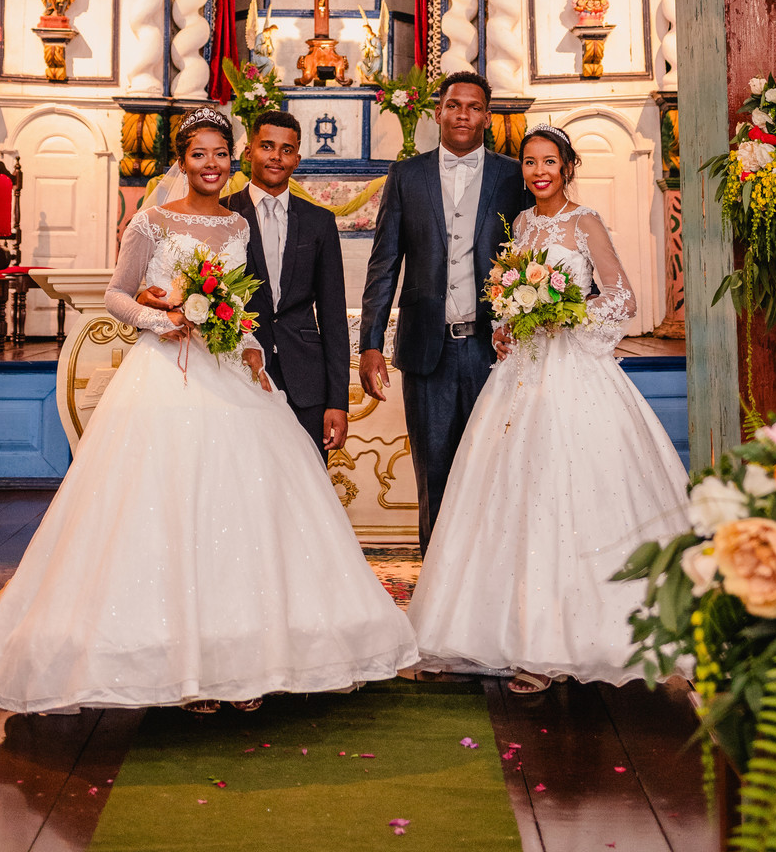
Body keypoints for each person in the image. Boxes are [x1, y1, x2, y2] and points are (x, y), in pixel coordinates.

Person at [0, 106, 417, 713]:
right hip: (165, 379)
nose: (211, 164)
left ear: (234, 160)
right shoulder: (151, 222)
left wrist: (249, 350)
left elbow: (239, 307)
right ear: (183, 160)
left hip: (229, 374)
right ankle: (177, 666)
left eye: (219, 154)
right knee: (167, 511)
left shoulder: (236, 229)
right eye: (200, 154)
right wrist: (163, 318)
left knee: (240, 515)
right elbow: (116, 296)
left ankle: (242, 663)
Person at [405, 125, 690, 692]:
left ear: (567, 166)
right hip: (520, 372)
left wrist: (567, 315)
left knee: (569, 493)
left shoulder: (583, 222)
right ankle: (511, 632)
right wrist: (509, 327)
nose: (539, 172)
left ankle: (565, 640)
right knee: (512, 493)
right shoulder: (525, 225)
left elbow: (621, 297)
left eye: (549, 162)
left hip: (573, 372)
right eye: (531, 163)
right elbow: (509, 296)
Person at [358, 71, 530, 552]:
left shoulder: (513, 175)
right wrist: (370, 344)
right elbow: (384, 264)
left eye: (474, 107)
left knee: (493, 469)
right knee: (433, 473)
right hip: (426, 349)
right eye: (454, 104)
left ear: (487, 117)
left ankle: (489, 579)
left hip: (493, 350)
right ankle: (436, 583)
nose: (463, 114)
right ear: (438, 111)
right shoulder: (406, 175)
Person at [224, 110, 350, 458]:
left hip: (306, 382)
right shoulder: (221, 215)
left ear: (297, 158)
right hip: (237, 373)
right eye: (267, 146)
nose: (276, 156)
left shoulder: (319, 222)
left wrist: (337, 402)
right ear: (248, 152)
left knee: (307, 487)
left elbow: (334, 316)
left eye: (286, 149)